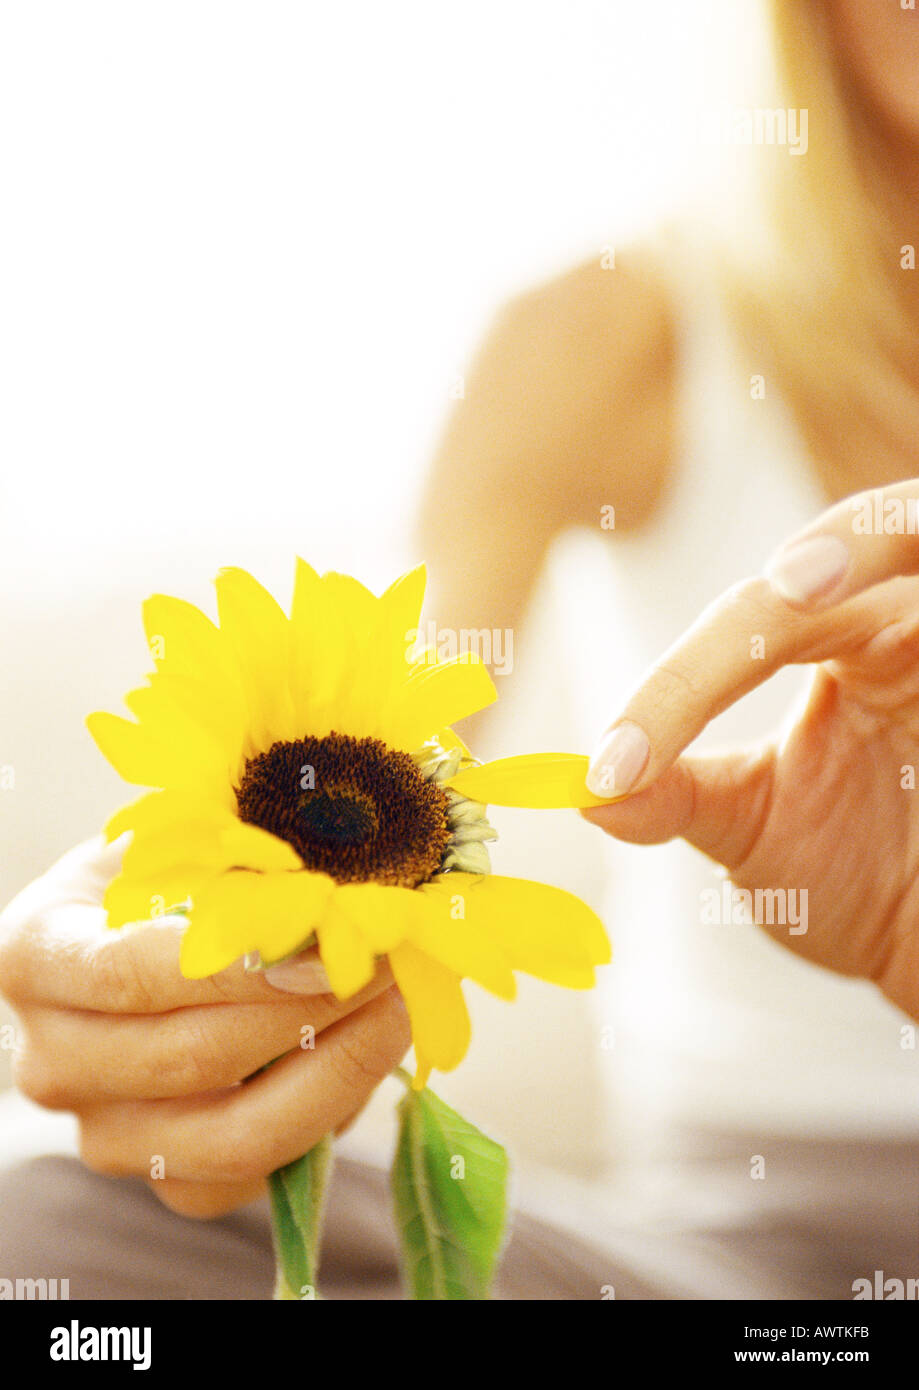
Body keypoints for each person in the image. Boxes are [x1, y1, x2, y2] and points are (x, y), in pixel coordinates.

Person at [1, 0, 918, 1298]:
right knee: (48, 1225)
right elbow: (390, 752)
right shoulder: (614, 333)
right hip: (740, 1259)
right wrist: (191, 953)